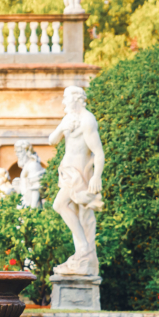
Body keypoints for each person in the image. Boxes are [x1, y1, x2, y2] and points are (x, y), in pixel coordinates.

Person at [48, 86, 105, 276]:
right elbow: (51, 140)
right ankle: (83, 254)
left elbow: (98, 152)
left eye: (66, 98)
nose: (64, 102)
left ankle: (84, 249)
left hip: (80, 175)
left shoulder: (87, 120)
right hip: (67, 171)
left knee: (60, 205)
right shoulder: (68, 118)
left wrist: (96, 176)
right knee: (77, 214)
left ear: (78, 99)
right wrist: (62, 128)